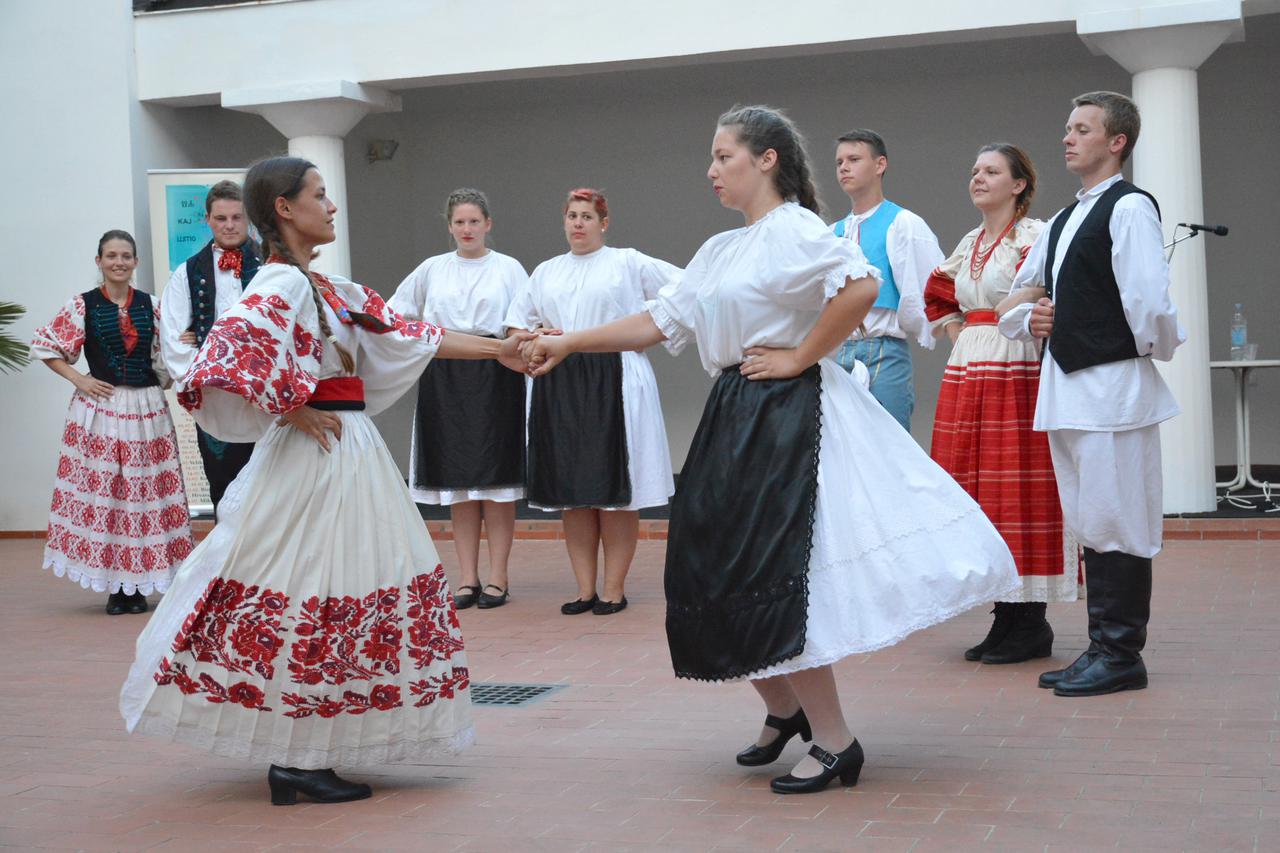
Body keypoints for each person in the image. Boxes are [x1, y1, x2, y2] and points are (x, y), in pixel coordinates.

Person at [525, 106, 1019, 794]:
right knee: (709, 566)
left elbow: (861, 285)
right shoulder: (725, 248)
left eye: (724, 155)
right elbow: (660, 319)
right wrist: (566, 342)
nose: (711, 169)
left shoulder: (793, 229)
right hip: (735, 409)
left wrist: (801, 357)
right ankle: (784, 710)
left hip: (786, 414)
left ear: (767, 159)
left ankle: (837, 740)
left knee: (775, 571)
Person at [120, 157, 531, 804]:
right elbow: (218, 358)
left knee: (337, 586)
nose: (331, 205)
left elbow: (409, 332)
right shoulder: (280, 284)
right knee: (317, 586)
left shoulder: (323, 285)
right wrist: (290, 405)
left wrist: (498, 349)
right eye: (318, 194)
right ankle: (296, 757)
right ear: (284, 208)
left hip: (346, 448)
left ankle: (311, 746)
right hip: (320, 453)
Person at [999, 91, 1183, 697]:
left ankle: (1122, 653)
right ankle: (1103, 646)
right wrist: (1034, 322)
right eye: (1068, 127)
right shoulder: (1061, 219)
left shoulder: (1130, 209)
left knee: (1118, 518)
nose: (1068, 138)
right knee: (1089, 520)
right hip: (1069, 393)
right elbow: (1014, 303)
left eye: (1082, 128)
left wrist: (1128, 344)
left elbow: (1150, 305)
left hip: (1112, 390)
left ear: (1117, 141)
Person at [924, 144, 1080, 665]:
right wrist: (962, 335)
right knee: (976, 484)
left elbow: (1056, 288)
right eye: (974, 170)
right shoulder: (969, 241)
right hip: (970, 369)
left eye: (991, 171)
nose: (978, 177)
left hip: (1018, 368)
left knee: (1015, 481)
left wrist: (1002, 321)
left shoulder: (1033, 237)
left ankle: (1029, 619)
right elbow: (938, 295)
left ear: (1018, 185)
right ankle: (1003, 613)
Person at [504, 188, 677, 616]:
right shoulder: (546, 271)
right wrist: (528, 342)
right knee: (573, 491)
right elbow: (514, 324)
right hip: (559, 381)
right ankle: (584, 588)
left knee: (615, 490)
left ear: (604, 222)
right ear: (563, 222)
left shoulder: (628, 262)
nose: (578, 223)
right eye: (571, 216)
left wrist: (649, 328)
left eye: (587, 216)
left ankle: (614, 588)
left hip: (615, 376)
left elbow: (686, 292)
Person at [32, 230, 193, 615]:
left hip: (146, 409)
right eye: (111, 255)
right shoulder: (82, 305)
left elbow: (164, 360)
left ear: (136, 262)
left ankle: (138, 585)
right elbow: (46, 346)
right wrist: (79, 378)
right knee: (109, 496)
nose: (118, 262)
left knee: (144, 495)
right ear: (99, 261)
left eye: (125, 256)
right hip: (100, 411)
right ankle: (116, 587)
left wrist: (180, 343)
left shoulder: (153, 306)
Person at [389, 188, 529, 610]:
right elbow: (395, 313)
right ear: (449, 226)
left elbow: (528, 317)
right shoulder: (432, 269)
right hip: (445, 375)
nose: (467, 229)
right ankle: (467, 577)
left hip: (497, 372)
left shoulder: (509, 268)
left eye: (474, 221)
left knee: (497, 483)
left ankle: (499, 577)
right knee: (459, 485)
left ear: (488, 224)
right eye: (459, 222)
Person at [158, 180, 263, 515]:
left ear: (248, 219)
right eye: (221, 218)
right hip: (216, 396)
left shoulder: (273, 266)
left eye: (236, 217)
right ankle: (227, 563)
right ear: (207, 219)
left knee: (272, 484)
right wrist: (198, 378)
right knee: (224, 482)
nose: (229, 225)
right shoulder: (188, 273)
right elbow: (173, 334)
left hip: (265, 392)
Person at [829, 129, 944, 431]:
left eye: (854, 159)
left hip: (884, 350)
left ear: (880, 165)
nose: (844, 167)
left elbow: (935, 286)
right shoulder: (830, 234)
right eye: (839, 161)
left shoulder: (903, 223)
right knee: (840, 448)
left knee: (890, 446)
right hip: (839, 352)